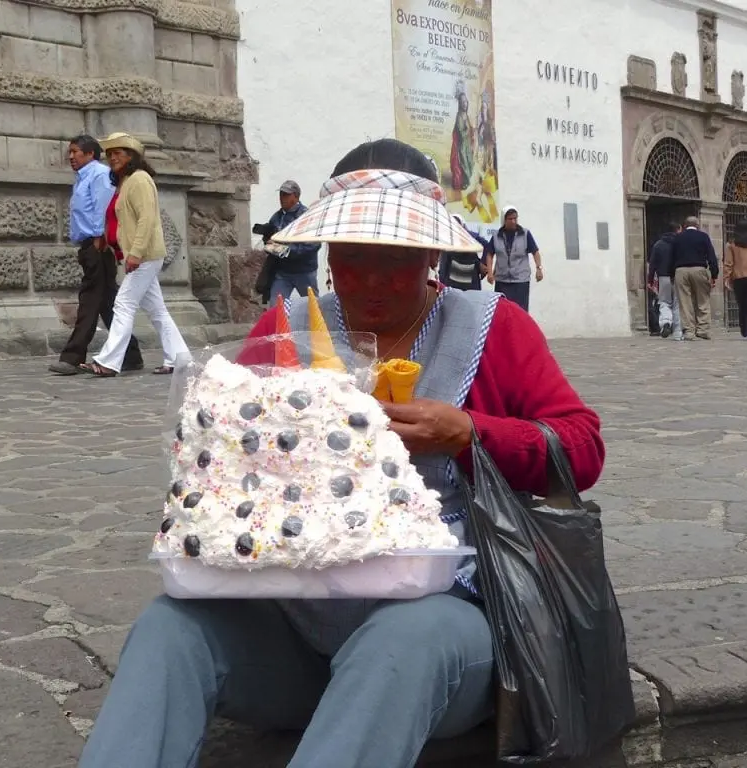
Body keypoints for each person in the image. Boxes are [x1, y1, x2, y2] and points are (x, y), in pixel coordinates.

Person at [77, 138, 605, 768]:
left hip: (440, 636)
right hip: (296, 637)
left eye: (397, 261)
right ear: (328, 255)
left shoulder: (493, 328)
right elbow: (217, 455)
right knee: (170, 628)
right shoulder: (288, 330)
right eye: (354, 259)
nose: (374, 281)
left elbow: (582, 447)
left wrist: (470, 433)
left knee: (402, 641)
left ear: (432, 252)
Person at [78, 132, 191, 377]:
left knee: (123, 303)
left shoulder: (139, 179)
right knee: (157, 310)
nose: (113, 158)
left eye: (118, 153)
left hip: (145, 254)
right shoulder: (126, 181)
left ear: (131, 156)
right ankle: (179, 358)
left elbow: (147, 219)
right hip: (141, 254)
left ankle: (109, 362)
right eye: (110, 154)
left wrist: (136, 253)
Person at [49, 135, 143, 375]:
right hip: (90, 245)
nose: (70, 157)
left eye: (75, 152)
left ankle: (72, 356)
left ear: (90, 154)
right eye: (69, 152)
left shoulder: (99, 175)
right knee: (107, 303)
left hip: (99, 246)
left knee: (90, 300)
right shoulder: (83, 178)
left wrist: (102, 239)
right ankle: (130, 354)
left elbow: (105, 209)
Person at [262, 180, 322, 302]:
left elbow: (314, 244)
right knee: (276, 308)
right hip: (283, 272)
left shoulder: (307, 216)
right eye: (281, 194)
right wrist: (268, 242)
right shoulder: (277, 217)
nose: (281, 198)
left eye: (285, 195)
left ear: (295, 196)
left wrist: (287, 250)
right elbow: (271, 239)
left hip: (305, 272)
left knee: (313, 308)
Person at [483, 206, 543, 312]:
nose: (513, 221)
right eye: (510, 219)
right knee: (503, 311)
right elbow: (489, 254)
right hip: (502, 281)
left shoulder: (525, 234)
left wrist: (539, 268)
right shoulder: (496, 236)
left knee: (520, 311)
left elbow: (535, 252)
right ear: (504, 220)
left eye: (515, 218)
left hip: (520, 281)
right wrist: (490, 273)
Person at [671, 215, 719, 341]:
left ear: (685, 225)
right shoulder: (703, 236)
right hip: (699, 269)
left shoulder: (678, 237)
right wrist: (714, 274)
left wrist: (672, 274)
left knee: (685, 302)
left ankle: (688, 331)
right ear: (697, 226)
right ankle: (702, 329)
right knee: (702, 300)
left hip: (681, 270)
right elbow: (712, 256)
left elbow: (672, 257)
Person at [647, 222, 683, 340]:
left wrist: (650, 279)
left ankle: (666, 322)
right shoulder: (679, 243)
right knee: (678, 304)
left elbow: (652, 264)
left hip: (663, 277)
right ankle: (677, 331)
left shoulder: (658, 244)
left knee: (664, 302)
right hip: (677, 276)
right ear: (678, 229)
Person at [438, 212, 489, 291]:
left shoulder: (470, 235)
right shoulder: (448, 238)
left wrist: (483, 263)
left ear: (462, 226)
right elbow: (444, 263)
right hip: (457, 279)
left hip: (467, 278)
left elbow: (487, 245)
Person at [724, 218, 747, 340]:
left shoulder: (732, 245)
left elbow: (728, 263)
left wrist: (727, 278)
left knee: (742, 305)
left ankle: (744, 330)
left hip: (739, 278)